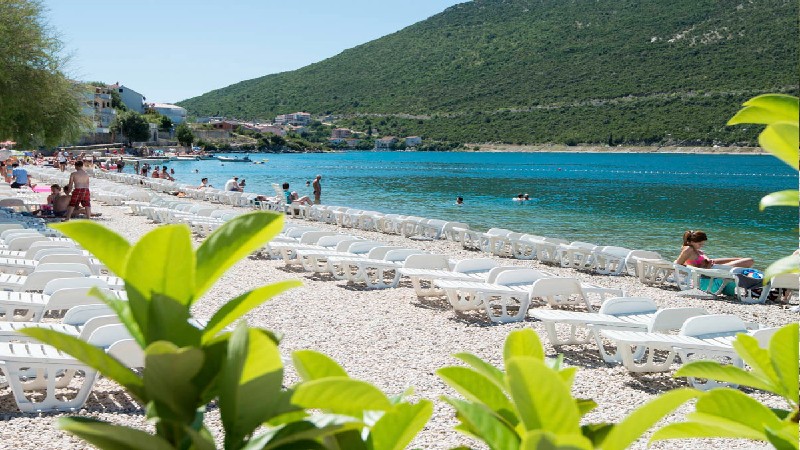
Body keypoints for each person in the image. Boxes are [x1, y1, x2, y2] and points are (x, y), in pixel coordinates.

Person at [674, 229, 754, 269]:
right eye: (700, 244)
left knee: (741, 259)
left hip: (711, 264)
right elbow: (677, 265)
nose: (702, 246)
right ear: (691, 242)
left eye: (703, 244)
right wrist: (703, 268)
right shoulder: (688, 249)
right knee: (749, 261)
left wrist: (707, 260)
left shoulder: (693, 248)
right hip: (710, 269)